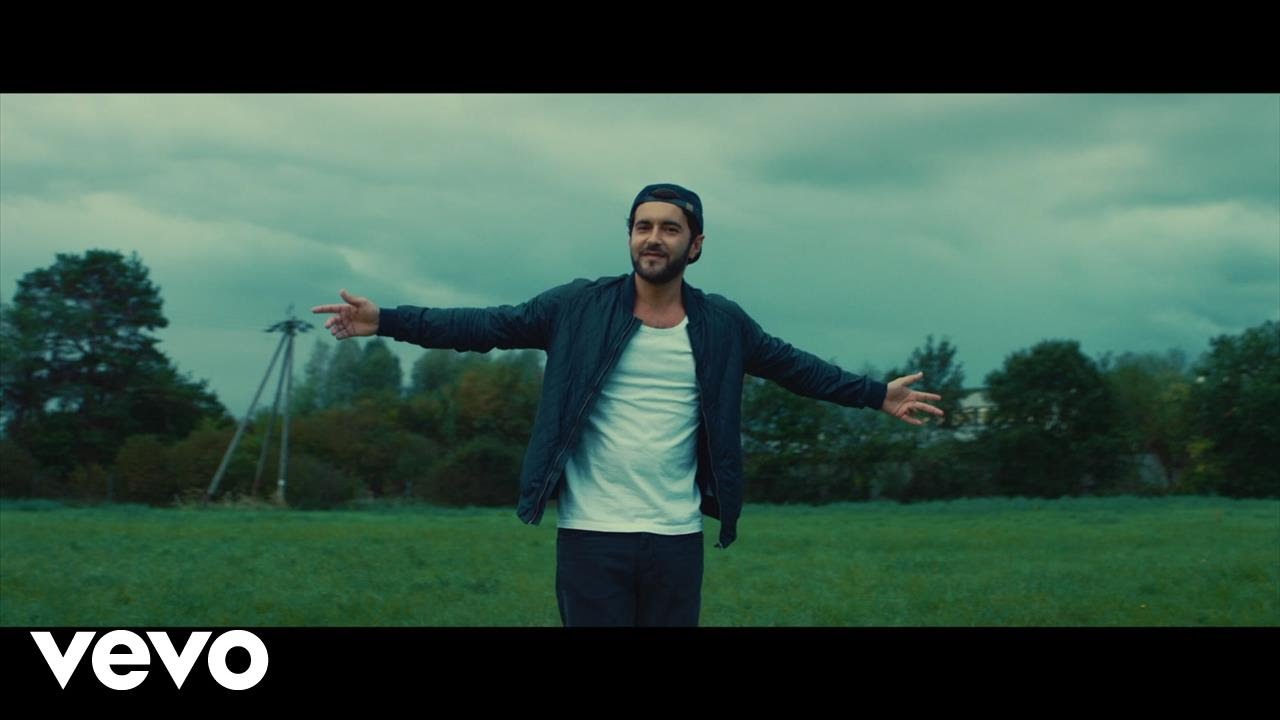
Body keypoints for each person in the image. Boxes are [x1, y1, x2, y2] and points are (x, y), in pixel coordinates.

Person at [312, 182, 942, 627]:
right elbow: (486, 326)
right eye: (643, 226)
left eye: (670, 228)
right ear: (630, 237)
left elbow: (795, 366)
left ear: (696, 244)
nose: (654, 238)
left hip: (675, 535)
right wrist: (387, 320)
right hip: (592, 534)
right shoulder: (577, 308)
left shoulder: (723, 325)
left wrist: (875, 394)